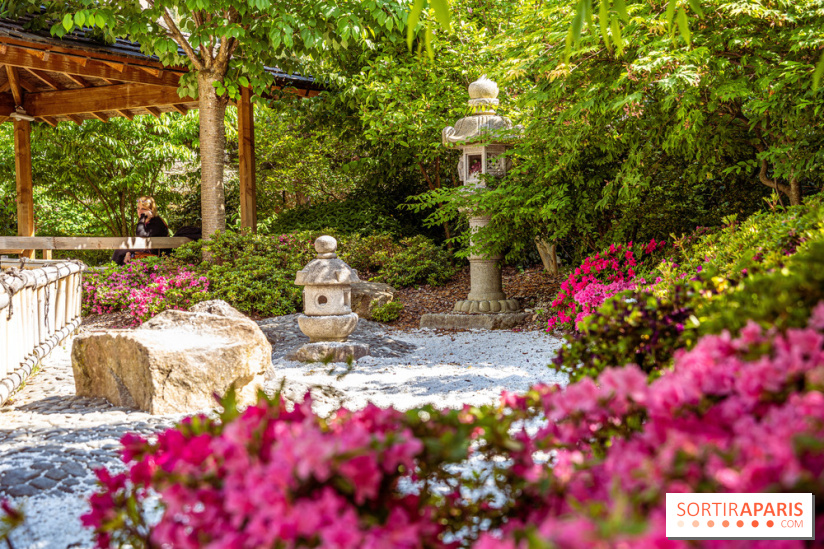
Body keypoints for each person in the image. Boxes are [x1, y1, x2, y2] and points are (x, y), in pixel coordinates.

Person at [112, 196, 169, 265]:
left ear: (151, 210)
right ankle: (113, 272)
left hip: (157, 257)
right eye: (138, 208)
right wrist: (129, 252)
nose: (139, 211)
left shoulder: (156, 222)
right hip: (145, 251)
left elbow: (141, 236)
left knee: (120, 250)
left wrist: (142, 217)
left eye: (143, 209)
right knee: (122, 252)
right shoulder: (146, 221)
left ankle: (112, 272)